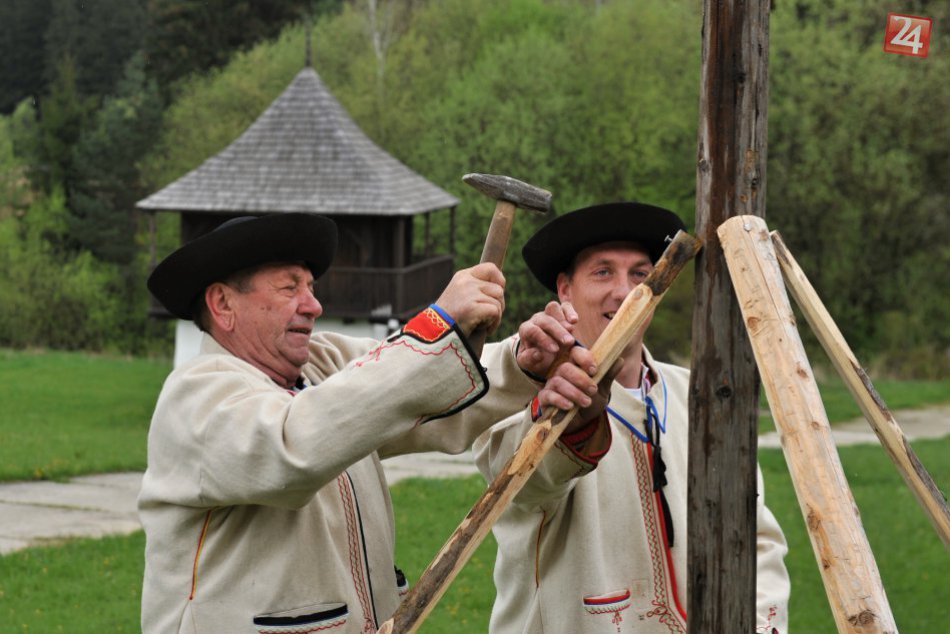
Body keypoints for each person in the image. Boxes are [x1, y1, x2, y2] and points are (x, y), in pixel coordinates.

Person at [138, 212, 564, 634]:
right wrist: (438, 324)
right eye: (290, 288)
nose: (314, 305)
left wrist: (523, 362)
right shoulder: (195, 395)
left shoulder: (321, 366)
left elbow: (422, 391)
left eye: (311, 287)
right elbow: (297, 446)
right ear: (223, 304)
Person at [474, 202, 791, 633]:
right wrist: (569, 418)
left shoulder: (703, 397)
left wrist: (759, 624)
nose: (624, 292)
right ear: (565, 289)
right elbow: (529, 485)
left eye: (640, 274)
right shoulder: (520, 397)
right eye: (602, 272)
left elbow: (755, 538)